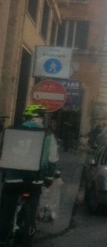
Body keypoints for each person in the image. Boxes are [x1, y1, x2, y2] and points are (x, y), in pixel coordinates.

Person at [0, 105, 59, 247]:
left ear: (26, 118)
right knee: (31, 214)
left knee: (6, 212)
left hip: (13, 179)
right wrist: (49, 177)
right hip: (35, 180)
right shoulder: (48, 136)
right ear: (40, 118)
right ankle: (29, 239)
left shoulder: (10, 132)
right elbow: (52, 160)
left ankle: (2, 240)